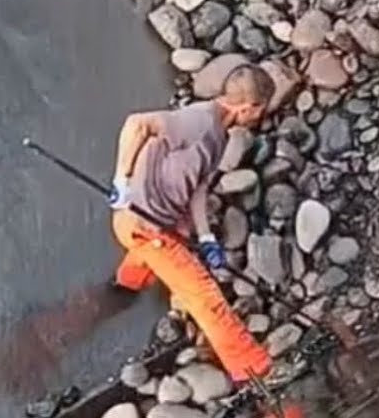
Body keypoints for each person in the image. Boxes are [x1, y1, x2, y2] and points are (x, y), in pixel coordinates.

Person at [108, 63, 277, 384]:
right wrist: (122, 183)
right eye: (262, 110)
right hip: (143, 224)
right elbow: (137, 124)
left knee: (163, 256)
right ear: (249, 107)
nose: (261, 117)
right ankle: (256, 371)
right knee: (206, 298)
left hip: (160, 224)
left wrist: (206, 237)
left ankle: (123, 288)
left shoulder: (220, 135)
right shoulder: (198, 122)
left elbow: (199, 188)